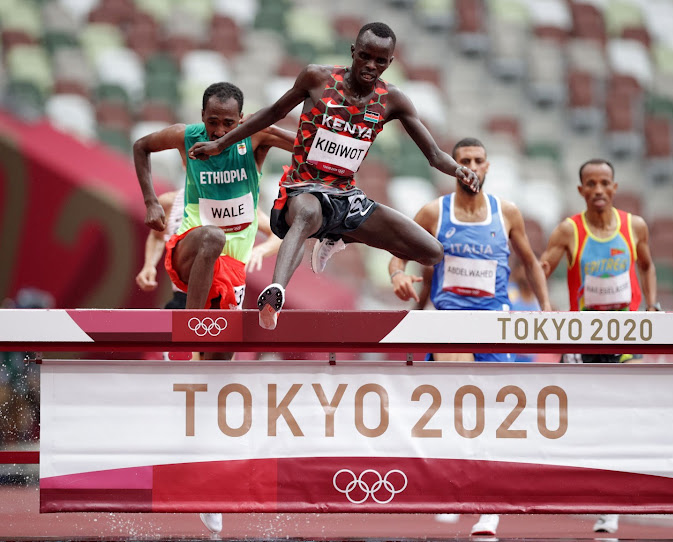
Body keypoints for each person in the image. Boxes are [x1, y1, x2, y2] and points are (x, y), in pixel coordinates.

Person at [188, 22, 480, 331]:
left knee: (432, 252)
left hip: (346, 197)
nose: (371, 66)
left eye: (380, 61)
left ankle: (337, 235)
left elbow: (434, 155)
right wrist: (221, 143)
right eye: (365, 56)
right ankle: (274, 294)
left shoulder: (392, 100)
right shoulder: (317, 78)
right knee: (308, 214)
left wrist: (459, 170)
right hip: (302, 188)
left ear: (390, 62)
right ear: (353, 51)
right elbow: (271, 113)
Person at [133, 82, 294, 535]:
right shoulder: (187, 137)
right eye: (212, 120)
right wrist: (149, 200)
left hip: (232, 275)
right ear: (201, 115)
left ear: (242, 122)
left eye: (228, 123)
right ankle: (187, 335)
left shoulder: (256, 138)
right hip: (190, 253)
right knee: (212, 237)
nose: (218, 129)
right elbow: (142, 146)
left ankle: (208, 489)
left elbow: (305, 143)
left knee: (215, 387)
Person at [388, 137, 551, 538]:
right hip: (449, 320)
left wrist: (548, 313)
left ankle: (489, 504)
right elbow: (397, 253)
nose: (471, 167)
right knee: (457, 409)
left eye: (478, 161)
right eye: (463, 161)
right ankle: (454, 489)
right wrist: (398, 276)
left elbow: (530, 262)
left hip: (495, 319)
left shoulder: (506, 212)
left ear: (487, 167)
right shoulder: (434, 212)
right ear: (452, 166)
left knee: (491, 414)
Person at [539, 158, 659, 534]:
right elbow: (542, 267)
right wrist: (542, 301)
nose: (598, 190)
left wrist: (651, 305)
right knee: (584, 421)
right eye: (590, 184)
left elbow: (647, 265)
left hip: (624, 335)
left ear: (614, 187)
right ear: (581, 191)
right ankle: (584, 488)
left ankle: (611, 501)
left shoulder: (633, 226)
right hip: (583, 335)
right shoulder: (569, 230)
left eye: (604, 183)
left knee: (624, 416)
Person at [135, 188, 283, 310]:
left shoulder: (235, 203)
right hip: (183, 296)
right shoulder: (170, 202)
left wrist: (260, 251)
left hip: (224, 297)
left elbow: (277, 235)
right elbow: (156, 235)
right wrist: (149, 265)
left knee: (212, 238)